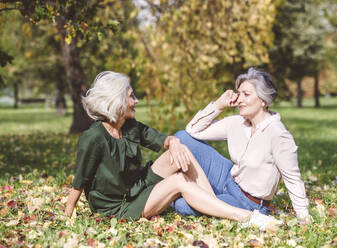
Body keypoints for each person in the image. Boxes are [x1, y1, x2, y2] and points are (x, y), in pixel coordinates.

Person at [64, 71, 282, 231]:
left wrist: (175, 144)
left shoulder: (129, 126)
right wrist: (68, 211)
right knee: (179, 181)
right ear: (117, 101)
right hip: (119, 206)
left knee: (182, 149)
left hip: (137, 185)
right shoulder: (92, 138)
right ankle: (246, 217)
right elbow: (80, 179)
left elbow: (164, 139)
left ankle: (211, 203)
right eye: (131, 96)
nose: (136, 101)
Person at [172, 68, 311, 224]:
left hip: (248, 203)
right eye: (239, 93)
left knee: (182, 205)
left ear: (263, 100)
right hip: (227, 178)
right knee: (181, 138)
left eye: (246, 94)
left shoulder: (278, 135)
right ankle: (207, 198)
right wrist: (219, 105)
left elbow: (293, 179)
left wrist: (303, 217)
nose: (239, 99)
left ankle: (204, 199)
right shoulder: (237, 122)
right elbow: (192, 130)